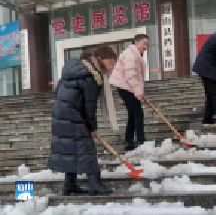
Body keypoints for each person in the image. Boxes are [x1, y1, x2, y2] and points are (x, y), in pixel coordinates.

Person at [48, 46, 117, 196]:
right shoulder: (90, 76)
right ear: (100, 60)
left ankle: (69, 185)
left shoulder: (75, 70)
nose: (111, 68)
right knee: (87, 150)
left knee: (70, 148)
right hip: (74, 114)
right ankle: (94, 184)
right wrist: (92, 127)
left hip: (61, 114)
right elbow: (89, 106)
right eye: (110, 63)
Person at [110, 34, 148, 151]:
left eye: (147, 44)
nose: (145, 47)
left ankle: (129, 141)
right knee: (138, 113)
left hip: (126, 87)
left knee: (133, 114)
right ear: (136, 42)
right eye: (144, 43)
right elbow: (131, 76)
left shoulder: (133, 53)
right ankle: (141, 141)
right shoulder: (131, 55)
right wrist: (138, 92)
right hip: (126, 87)